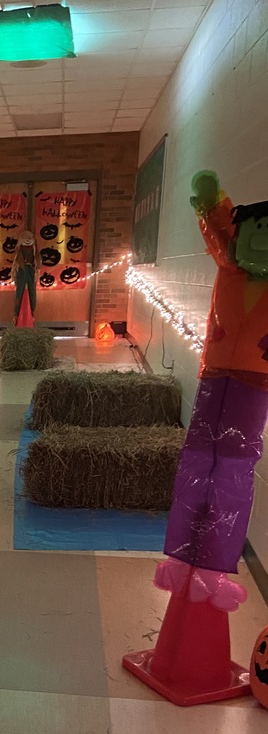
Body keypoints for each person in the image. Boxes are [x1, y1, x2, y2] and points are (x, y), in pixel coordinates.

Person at [156, 171, 268, 605]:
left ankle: (216, 568)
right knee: (197, 461)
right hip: (215, 373)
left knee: (234, 470)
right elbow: (220, 231)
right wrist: (209, 203)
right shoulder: (230, 266)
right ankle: (181, 559)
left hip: (254, 381)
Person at [13, 229, 39, 322]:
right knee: (19, 290)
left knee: (32, 290)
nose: (27, 240)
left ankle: (31, 313)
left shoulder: (34, 248)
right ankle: (16, 314)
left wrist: (36, 268)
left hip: (31, 269)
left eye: (29, 238)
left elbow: (37, 258)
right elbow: (17, 259)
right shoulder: (19, 248)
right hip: (22, 269)